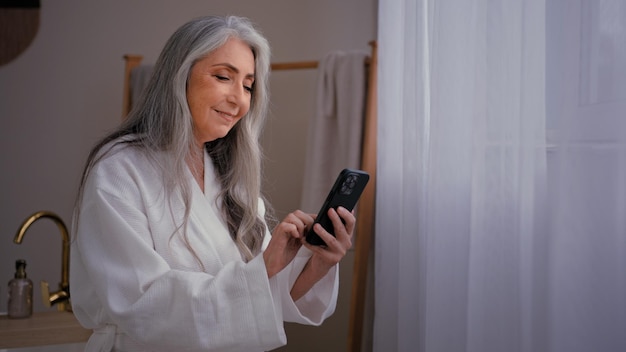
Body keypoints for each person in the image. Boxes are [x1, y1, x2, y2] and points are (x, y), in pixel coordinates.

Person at [70, 15, 355, 352]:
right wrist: (263, 269)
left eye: (248, 85)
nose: (239, 99)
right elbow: (142, 303)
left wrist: (318, 262)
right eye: (223, 77)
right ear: (178, 77)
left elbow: (262, 300)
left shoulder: (228, 178)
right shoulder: (119, 169)